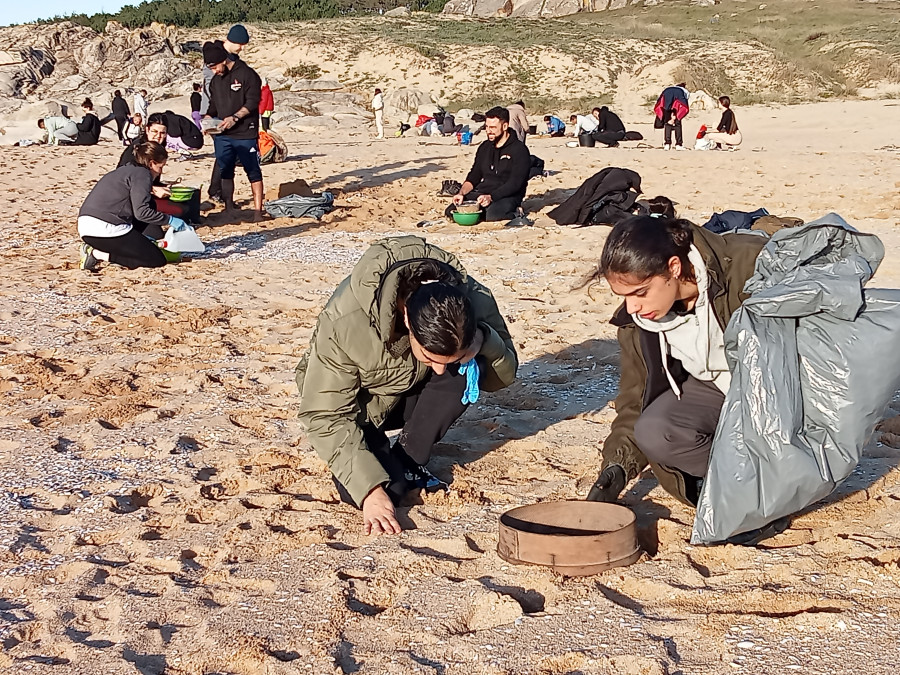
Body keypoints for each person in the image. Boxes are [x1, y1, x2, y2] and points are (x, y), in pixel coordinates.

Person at [295, 236, 518, 535]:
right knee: (381, 491)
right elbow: (325, 414)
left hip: (412, 394)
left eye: (447, 359)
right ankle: (391, 465)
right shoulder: (346, 320)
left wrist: (483, 341)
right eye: (430, 356)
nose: (441, 368)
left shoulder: (474, 297)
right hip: (361, 408)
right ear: (407, 321)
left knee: (466, 369)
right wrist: (371, 492)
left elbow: (503, 376)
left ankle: (409, 458)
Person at [583, 216, 769, 530]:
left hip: (777, 392)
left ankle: (774, 483)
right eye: (623, 296)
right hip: (716, 390)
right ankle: (748, 493)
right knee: (654, 430)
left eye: (640, 293)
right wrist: (616, 468)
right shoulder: (637, 323)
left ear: (673, 267)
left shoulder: (750, 266)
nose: (631, 308)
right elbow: (635, 399)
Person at [78, 141, 187, 271]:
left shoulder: (125, 170)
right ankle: (96, 254)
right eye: (160, 167)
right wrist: (170, 220)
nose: (160, 172)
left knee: (150, 205)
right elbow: (142, 212)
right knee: (155, 259)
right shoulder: (143, 175)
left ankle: (126, 250)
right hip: (106, 229)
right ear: (151, 163)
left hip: (86, 226)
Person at [202, 40, 265, 217]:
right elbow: (214, 106)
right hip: (223, 133)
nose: (214, 71)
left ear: (223, 60)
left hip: (245, 131)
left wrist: (235, 117)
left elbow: (253, 102)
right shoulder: (215, 81)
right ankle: (229, 207)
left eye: (214, 67)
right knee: (225, 170)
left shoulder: (247, 74)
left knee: (253, 170)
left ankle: (258, 211)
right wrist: (207, 119)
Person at [445, 107, 531, 223]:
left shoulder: (519, 150)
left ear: (505, 126)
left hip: (507, 196)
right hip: (482, 193)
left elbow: (515, 184)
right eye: (487, 127)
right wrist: (461, 193)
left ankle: (516, 211)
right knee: (452, 211)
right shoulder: (484, 147)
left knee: (492, 214)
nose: (489, 131)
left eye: (493, 127)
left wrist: (491, 197)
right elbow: (474, 176)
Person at [118, 113, 201, 227]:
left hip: (149, 191)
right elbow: (123, 180)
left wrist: (163, 186)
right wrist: (152, 188)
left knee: (193, 196)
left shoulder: (159, 148)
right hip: (133, 198)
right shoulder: (137, 149)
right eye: (154, 131)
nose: (158, 136)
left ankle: (193, 223)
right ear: (147, 130)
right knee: (181, 209)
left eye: (162, 133)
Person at [202, 27, 251, 203]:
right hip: (216, 114)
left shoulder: (233, 59)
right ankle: (217, 191)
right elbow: (211, 87)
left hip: (229, 113)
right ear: (230, 40)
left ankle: (218, 190)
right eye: (240, 44)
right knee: (226, 152)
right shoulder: (216, 57)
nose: (242, 48)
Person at [654, 83, 690, 150]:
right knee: (678, 123)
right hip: (678, 101)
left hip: (666, 99)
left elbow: (660, 99)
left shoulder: (669, 88)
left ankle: (667, 144)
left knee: (667, 123)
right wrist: (676, 115)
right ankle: (678, 144)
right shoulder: (684, 91)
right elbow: (684, 103)